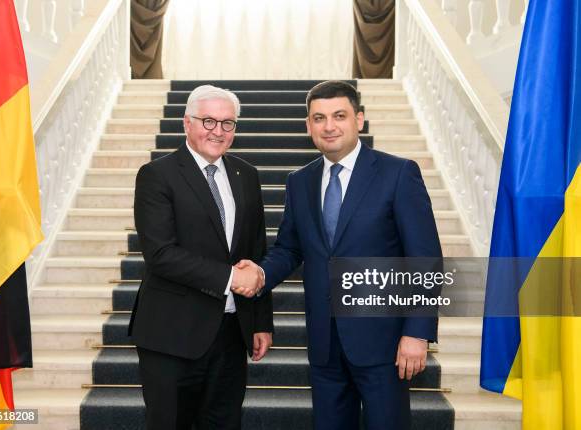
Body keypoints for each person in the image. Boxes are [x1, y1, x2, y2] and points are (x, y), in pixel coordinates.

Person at [236, 80, 442, 430]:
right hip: (324, 344)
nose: (329, 126)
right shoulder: (299, 181)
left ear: (359, 120)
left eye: (339, 116)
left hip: (385, 344)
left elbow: (424, 259)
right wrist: (261, 274)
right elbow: (289, 248)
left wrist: (417, 332)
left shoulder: (398, 173)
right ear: (308, 126)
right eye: (319, 118)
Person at [129, 85, 273, 430]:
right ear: (186, 123)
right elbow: (161, 254)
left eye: (227, 123)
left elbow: (256, 252)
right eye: (208, 121)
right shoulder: (157, 175)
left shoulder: (246, 175)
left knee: (224, 422)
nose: (218, 131)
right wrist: (229, 278)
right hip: (171, 333)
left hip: (230, 333)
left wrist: (260, 322)